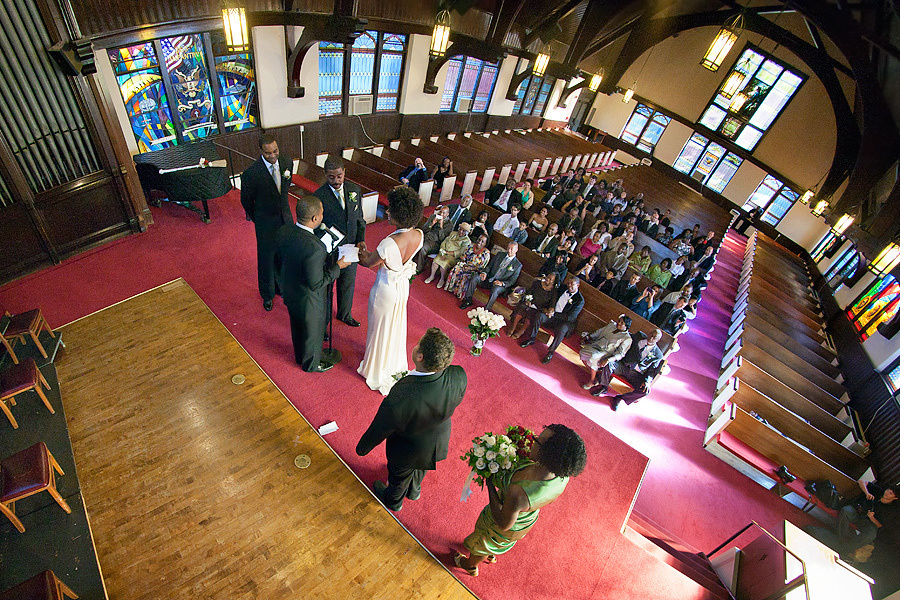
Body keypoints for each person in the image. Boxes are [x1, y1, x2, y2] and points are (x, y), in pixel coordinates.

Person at [356, 327, 467, 512]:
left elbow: (381, 427)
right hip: (437, 440)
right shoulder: (458, 375)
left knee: (399, 478)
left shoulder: (401, 397)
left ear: (420, 357)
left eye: (418, 344)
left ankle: (394, 501)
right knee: (422, 468)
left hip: (407, 450)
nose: (415, 346)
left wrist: (362, 449)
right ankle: (414, 491)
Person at [454, 424, 587, 576]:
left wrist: (489, 483)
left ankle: (470, 565)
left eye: (537, 440)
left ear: (548, 455)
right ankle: (491, 553)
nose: (532, 440)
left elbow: (503, 524)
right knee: (492, 545)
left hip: (503, 522)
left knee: (483, 545)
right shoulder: (561, 476)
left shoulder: (518, 493)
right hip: (525, 517)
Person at [357, 187, 425, 394]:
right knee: (394, 326)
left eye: (391, 209)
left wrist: (361, 249)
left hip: (385, 290)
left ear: (400, 214)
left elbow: (367, 262)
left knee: (378, 328)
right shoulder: (419, 235)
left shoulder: (388, 243)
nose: (387, 212)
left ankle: (375, 368)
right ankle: (388, 362)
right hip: (402, 288)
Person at [274, 196, 350, 372]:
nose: (323, 215)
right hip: (309, 299)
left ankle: (300, 356)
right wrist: (338, 267)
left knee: (297, 327)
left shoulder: (284, 231)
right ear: (315, 218)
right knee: (313, 333)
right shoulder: (316, 247)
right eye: (322, 213)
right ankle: (311, 364)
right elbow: (317, 283)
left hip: (291, 290)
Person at [241, 133, 294, 311]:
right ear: (260, 151)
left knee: (285, 254)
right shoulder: (251, 174)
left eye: (275, 151)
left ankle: (283, 287)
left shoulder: (287, 162)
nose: (272, 156)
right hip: (265, 222)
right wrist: (258, 218)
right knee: (266, 259)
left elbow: (285, 189)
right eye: (268, 153)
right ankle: (267, 295)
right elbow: (246, 201)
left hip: (285, 218)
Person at [315, 155, 366, 327]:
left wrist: (361, 240)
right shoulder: (319, 196)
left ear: (344, 172)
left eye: (339, 176)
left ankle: (345, 314)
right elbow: (317, 227)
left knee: (347, 283)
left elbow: (360, 218)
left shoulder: (354, 190)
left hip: (350, 247)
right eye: (331, 177)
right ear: (325, 175)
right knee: (327, 288)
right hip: (330, 250)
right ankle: (324, 322)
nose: (336, 181)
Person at [519, 277, 584, 364]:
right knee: (539, 316)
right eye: (568, 283)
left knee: (562, 329)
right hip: (551, 315)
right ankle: (531, 338)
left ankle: (550, 352)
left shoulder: (579, 300)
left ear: (578, 285)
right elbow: (553, 297)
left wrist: (553, 314)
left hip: (564, 321)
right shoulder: (562, 288)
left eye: (572, 284)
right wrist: (550, 309)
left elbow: (570, 317)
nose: (569, 285)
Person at [835, 479, 899, 555]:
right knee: (846, 511)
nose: (887, 493)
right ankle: (841, 540)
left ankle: (846, 549)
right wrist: (867, 492)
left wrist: (872, 517)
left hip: (867, 522)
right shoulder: (879, 491)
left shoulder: (891, 510)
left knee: (871, 534)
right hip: (857, 512)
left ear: (895, 498)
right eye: (888, 490)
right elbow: (861, 481)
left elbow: (879, 526)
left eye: (890, 493)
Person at [459, 241, 522, 311]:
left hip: (500, 284)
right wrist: (484, 273)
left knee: (496, 289)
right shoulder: (500, 254)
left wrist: (502, 283)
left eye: (511, 249)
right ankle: (468, 300)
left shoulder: (517, 265)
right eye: (508, 248)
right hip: (489, 278)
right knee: (475, 278)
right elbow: (489, 266)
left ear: (516, 250)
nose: (509, 250)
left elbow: (512, 281)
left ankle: (486, 310)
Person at [579, 315, 633, 391]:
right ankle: (595, 374)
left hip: (606, 353)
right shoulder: (612, 325)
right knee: (582, 352)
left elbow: (621, 354)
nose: (619, 323)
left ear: (626, 326)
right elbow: (598, 332)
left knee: (593, 358)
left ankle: (592, 381)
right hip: (596, 345)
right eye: (619, 321)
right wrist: (587, 338)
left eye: (622, 323)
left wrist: (608, 360)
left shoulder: (627, 338)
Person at [506, 272, 558, 339]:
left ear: (553, 282)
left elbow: (552, 305)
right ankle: (513, 327)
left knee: (532, 313)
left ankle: (521, 331)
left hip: (539, 309)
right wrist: (528, 300)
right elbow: (529, 293)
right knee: (522, 307)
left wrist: (550, 311)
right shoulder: (537, 283)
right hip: (530, 304)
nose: (547, 279)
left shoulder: (553, 292)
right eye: (547, 277)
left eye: (550, 279)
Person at [424, 222, 472, 288]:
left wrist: (446, 253)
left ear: (466, 233)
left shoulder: (467, 241)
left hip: (453, 257)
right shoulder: (453, 233)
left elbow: (460, 252)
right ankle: (432, 276)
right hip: (443, 252)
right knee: (435, 262)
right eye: (460, 229)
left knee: (443, 265)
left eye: (463, 231)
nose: (461, 231)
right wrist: (442, 251)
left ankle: (442, 279)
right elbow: (444, 242)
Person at [446, 234, 491, 299]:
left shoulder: (486, 253)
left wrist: (470, 268)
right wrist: (465, 265)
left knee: (466, 275)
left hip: (475, 270)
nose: (479, 242)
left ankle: (460, 294)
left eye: (482, 241)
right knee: (457, 268)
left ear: (485, 244)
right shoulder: (470, 246)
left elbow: (481, 268)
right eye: (479, 240)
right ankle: (452, 288)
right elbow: (463, 258)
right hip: (465, 265)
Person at [416, 205, 453, 272]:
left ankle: (419, 268)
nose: (441, 214)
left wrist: (441, 226)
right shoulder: (433, 217)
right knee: (414, 241)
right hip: (426, 236)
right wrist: (432, 224)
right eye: (440, 212)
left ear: (447, 214)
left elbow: (442, 239)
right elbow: (424, 229)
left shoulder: (449, 225)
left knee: (423, 248)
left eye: (444, 213)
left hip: (435, 243)